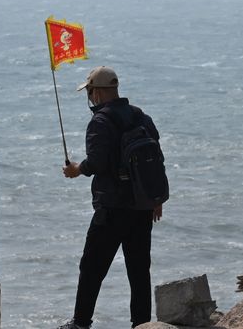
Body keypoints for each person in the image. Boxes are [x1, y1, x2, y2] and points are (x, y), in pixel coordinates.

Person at [58, 66, 164, 329]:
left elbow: (97, 163)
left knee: (92, 268)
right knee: (139, 271)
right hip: (142, 206)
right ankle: (141, 325)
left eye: (90, 92)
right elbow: (156, 160)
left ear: (99, 92)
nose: (90, 97)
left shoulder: (100, 121)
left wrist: (75, 170)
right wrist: (156, 199)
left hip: (112, 209)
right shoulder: (141, 117)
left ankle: (81, 323)